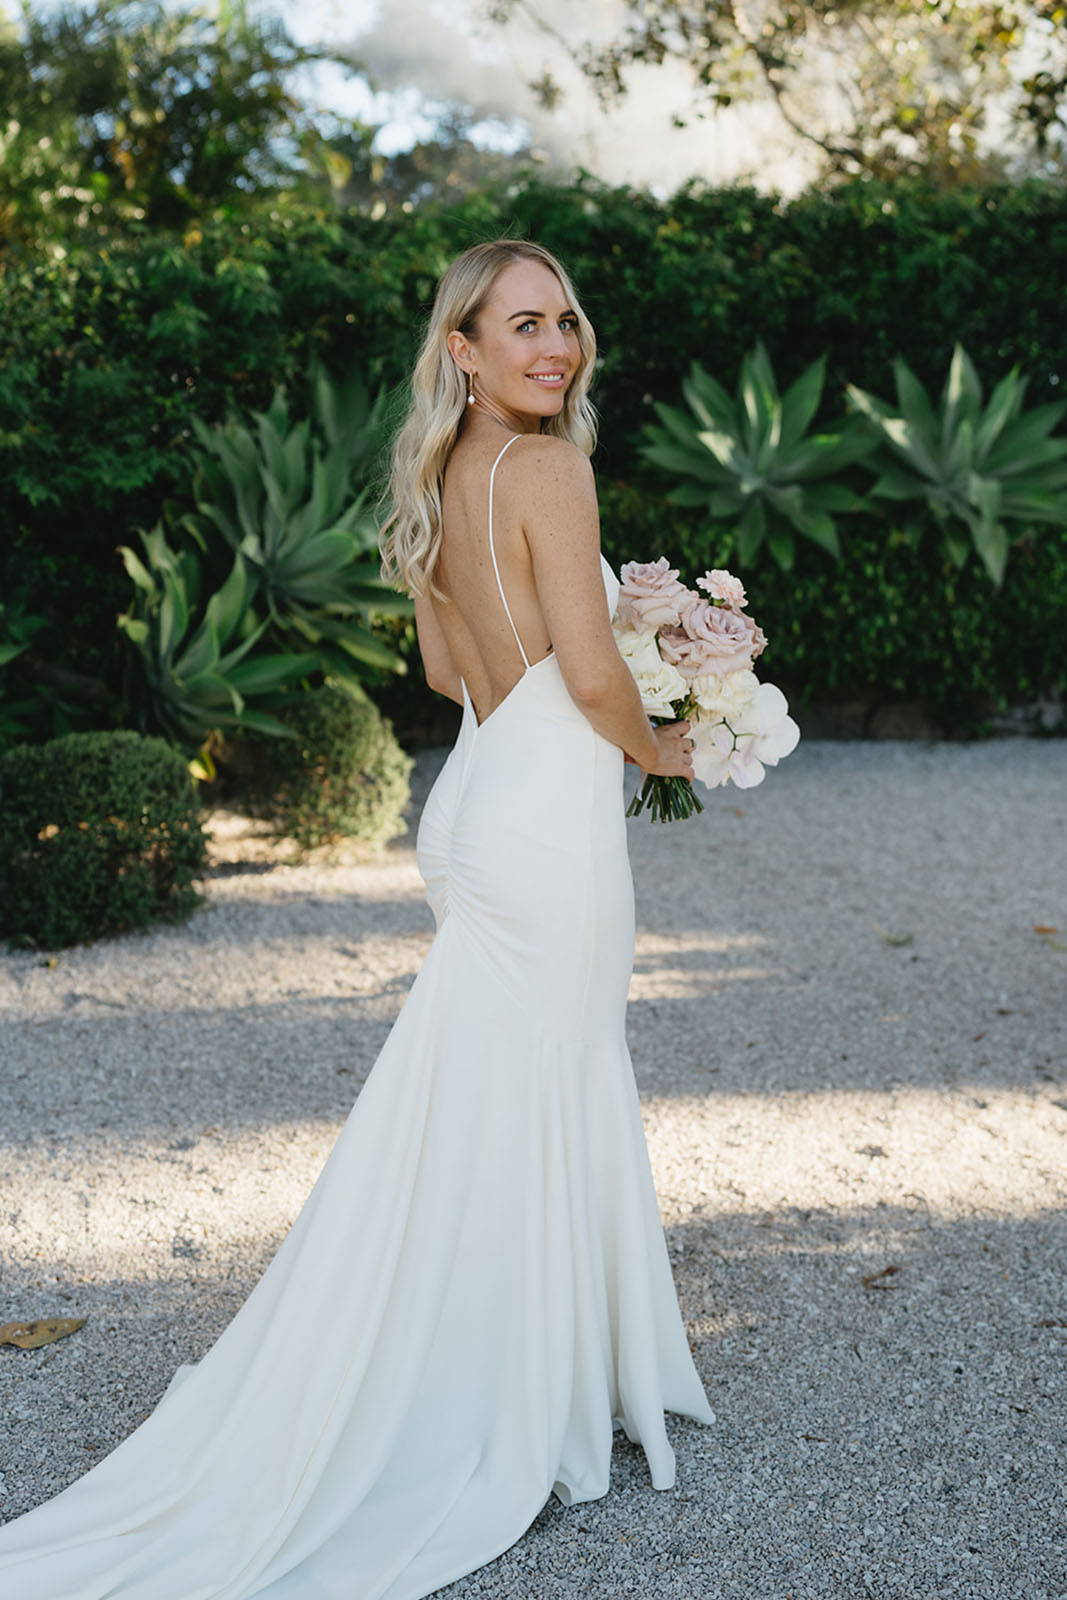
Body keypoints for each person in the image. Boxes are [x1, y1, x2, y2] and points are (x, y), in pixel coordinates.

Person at [0, 238, 715, 1599]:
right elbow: (583, 666)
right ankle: (523, 1404)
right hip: (548, 820)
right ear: (464, 349)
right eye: (524, 327)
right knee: (553, 1088)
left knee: (488, 1103)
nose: (557, 348)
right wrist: (670, 746)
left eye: (567, 321)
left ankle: (508, 1375)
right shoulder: (552, 469)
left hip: (479, 804)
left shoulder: (442, 479)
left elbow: (458, 666)